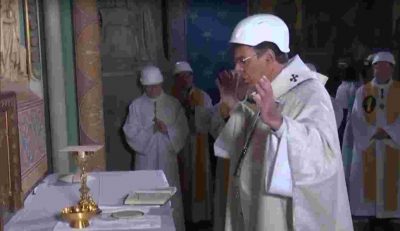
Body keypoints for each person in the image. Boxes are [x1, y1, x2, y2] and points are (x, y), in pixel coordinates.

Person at [214, 14, 353, 230]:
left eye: (243, 60)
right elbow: (248, 141)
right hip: (253, 203)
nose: (237, 69)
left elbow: (324, 157)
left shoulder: (309, 93)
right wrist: (233, 106)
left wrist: (279, 123)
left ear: (269, 58)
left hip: (279, 211)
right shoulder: (264, 87)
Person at [122, 65, 188, 231]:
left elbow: (182, 130)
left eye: (156, 86)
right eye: (149, 87)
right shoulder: (136, 106)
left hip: (167, 159)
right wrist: (149, 131)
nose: (153, 89)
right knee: (145, 195)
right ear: (143, 86)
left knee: (168, 196)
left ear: (161, 84)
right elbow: (129, 131)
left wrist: (167, 131)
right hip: (146, 161)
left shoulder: (173, 104)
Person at [348, 51, 400, 231]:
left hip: (393, 146)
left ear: (392, 69)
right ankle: (370, 216)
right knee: (367, 188)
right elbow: (356, 118)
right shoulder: (363, 91)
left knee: (392, 184)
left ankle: (390, 218)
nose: (382, 70)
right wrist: (372, 132)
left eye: (386, 66)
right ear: (374, 69)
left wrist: (390, 133)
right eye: (378, 66)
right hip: (369, 146)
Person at [170, 61, 213, 225]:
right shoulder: (172, 98)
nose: (184, 80)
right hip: (179, 145)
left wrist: (193, 110)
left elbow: (208, 121)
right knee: (182, 179)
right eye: (180, 77)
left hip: (197, 144)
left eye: (187, 76)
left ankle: (200, 217)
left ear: (192, 77)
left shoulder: (202, 96)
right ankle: (184, 217)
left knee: (198, 179)